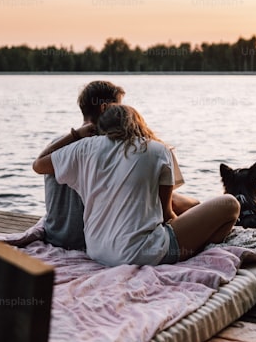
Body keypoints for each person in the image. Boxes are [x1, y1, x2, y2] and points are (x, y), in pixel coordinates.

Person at [33, 104, 240, 267]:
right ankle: (198, 250)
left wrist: (75, 135)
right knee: (230, 204)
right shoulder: (158, 150)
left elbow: (38, 164)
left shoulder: (83, 148)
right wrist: (191, 233)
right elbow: (167, 214)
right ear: (139, 124)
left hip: (97, 251)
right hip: (141, 254)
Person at [40, 81, 198, 251]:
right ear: (105, 108)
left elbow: (38, 165)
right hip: (86, 239)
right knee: (176, 201)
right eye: (119, 106)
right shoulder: (103, 148)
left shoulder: (57, 146)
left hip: (55, 235)